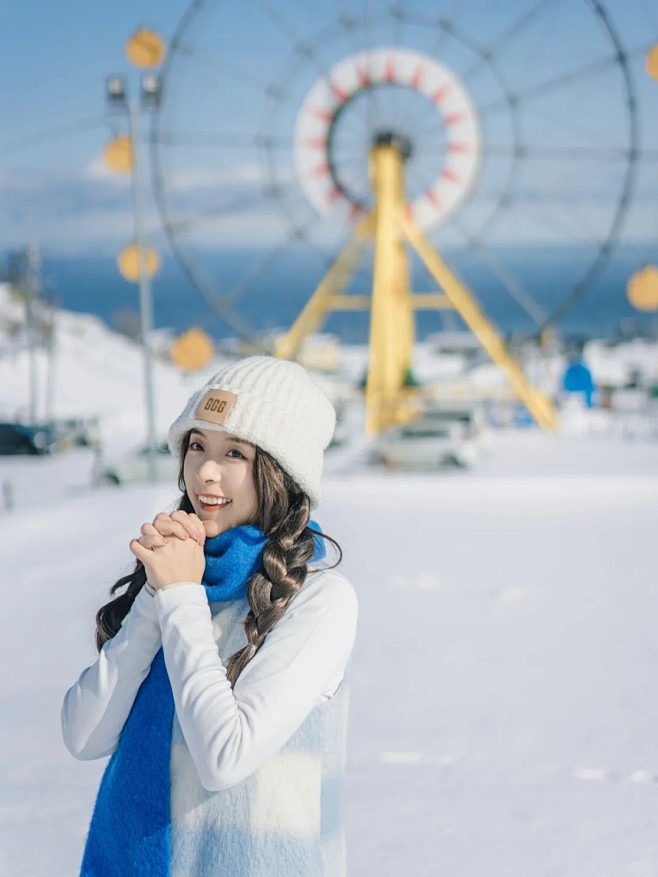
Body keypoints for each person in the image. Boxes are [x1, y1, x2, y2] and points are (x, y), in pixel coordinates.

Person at [61, 356, 358, 877]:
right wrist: (158, 596)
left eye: (235, 453)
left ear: (280, 472)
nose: (206, 472)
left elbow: (225, 756)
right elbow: (84, 735)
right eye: (197, 445)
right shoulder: (178, 576)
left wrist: (178, 595)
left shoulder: (319, 601)